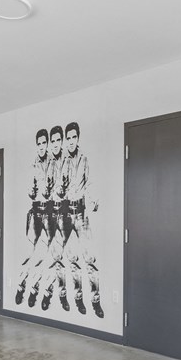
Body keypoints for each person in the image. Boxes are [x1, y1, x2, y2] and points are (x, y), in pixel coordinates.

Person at [59, 121, 103, 317]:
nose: (70, 141)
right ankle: (75, 299)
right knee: (70, 259)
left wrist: (94, 200)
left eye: (73, 137)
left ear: (78, 138)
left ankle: (95, 301)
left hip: (81, 214)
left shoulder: (84, 159)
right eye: (67, 138)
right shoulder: (59, 161)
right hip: (65, 214)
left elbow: (90, 182)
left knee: (90, 259)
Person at [15, 129, 52, 306]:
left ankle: (37, 290)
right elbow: (29, 193)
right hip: (36, 213)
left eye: (45, 143)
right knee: (32, 254)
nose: (43, 146)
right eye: (40, 143)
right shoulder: (32, 168)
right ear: (37, 145)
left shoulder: (54, 164)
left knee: (48, 257)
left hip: (51, 214)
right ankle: (22, 286)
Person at [39, 125, 70, 312]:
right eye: (53, 141)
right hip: (51, 214)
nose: (56, 144)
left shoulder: (68, 161)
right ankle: (45, 293)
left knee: (65, 258)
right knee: (52, 256)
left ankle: (57, 295)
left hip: (67, 213)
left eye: (59, 140)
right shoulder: (47, 164)